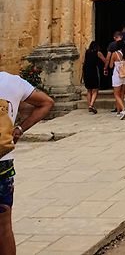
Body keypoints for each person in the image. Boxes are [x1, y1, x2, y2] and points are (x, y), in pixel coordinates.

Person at [0, 55, 54, 255]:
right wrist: (20, 129)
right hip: (3, 163)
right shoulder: (12, 82)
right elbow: (47, 102)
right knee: (4, 227)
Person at [103, 31, 125, 109]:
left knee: (116, 93)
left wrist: (105, 68)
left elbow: (109, 61)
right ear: (122, 37)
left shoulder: (113, 47)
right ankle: (122, 105)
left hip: (118, 73)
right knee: (123, 90)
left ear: (114, 38)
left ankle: (122, 109)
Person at [109, 40, 125, 120]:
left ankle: (123, 109)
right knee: (122, 94)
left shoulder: (115, 54)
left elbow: (111, 65)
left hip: (118, 75)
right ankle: (119, 111)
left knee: (116, 94)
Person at [82, 42, 106, 113]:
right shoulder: (98, 53)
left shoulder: (86, 52)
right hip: (94, 71)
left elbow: (83, 61)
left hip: (86, 71)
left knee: (89, 90)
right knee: (95, 89)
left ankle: (89, 106)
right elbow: (105, 60)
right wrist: (105, 67)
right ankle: (91, 105)